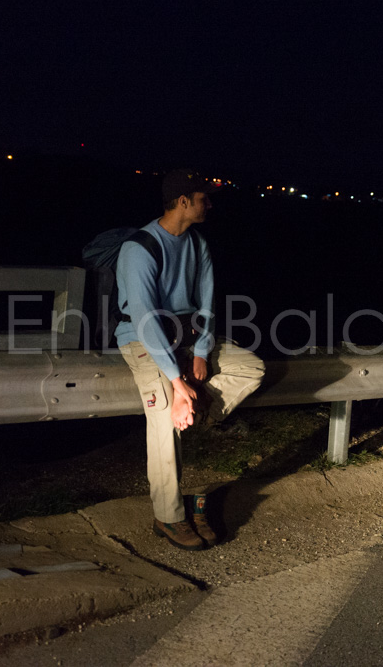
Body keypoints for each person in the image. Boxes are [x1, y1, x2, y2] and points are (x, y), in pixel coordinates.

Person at [116, 169, 266, 550]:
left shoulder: (197, 243)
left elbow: (207, 301)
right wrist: (177, 381)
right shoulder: (140, 249)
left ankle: (192, 412)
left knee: (251, 368)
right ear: (183, 201)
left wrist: (200, 353)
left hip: (188, 336)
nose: (210, 204)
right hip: (142, 339)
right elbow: (146, 320)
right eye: (204, 198)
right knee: (165, 407)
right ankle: (168, 517)